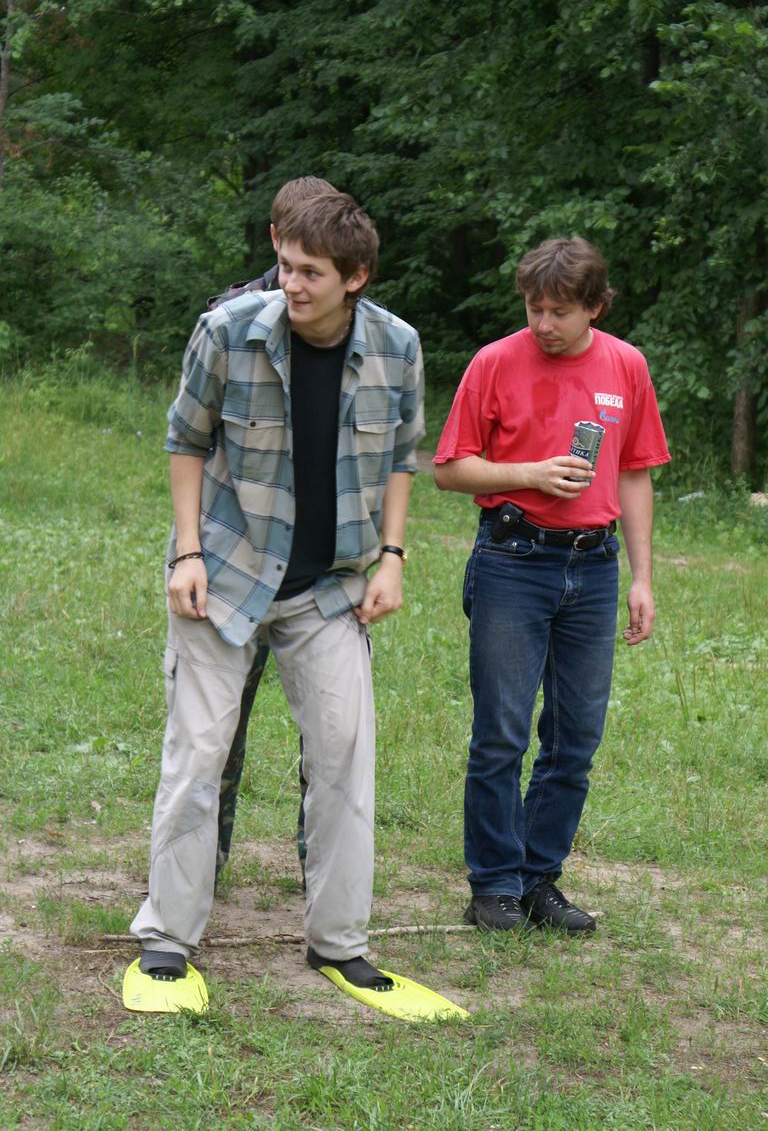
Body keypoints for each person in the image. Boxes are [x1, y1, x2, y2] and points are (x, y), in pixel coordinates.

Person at [129, 192, 425, 993]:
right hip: (224, 575)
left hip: (329, 588)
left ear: (356, 277)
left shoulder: (397, 347)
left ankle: (338, 942)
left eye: (310, 273)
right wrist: (187, 552)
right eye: (286, 265)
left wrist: (391, 557)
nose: (290, 284)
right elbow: (185, 441)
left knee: (344, 756)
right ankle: (168, 936)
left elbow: (402, 456)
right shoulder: (227, 330)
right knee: (198, 754)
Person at [433, 237, 670, 934]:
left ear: (595, 307)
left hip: (594, 568)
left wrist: (642, 577)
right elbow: (449, 468)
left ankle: (539, 880)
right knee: (501, 734)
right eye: (534, 309)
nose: (543, 324)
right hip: (513, 559)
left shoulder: (626, 365)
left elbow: (635, 473)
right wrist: (529, 474)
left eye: (559, 312)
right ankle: (493, 886)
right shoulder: (494, 363)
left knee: (575, 739)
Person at [208, 176, 338, 884]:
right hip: (241, 554)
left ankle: (318, 862)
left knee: (329, 733)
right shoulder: (230, 316)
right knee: (219, 724)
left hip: (318, 563)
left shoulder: (351, 321)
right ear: (274, 237)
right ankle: (207, 859)